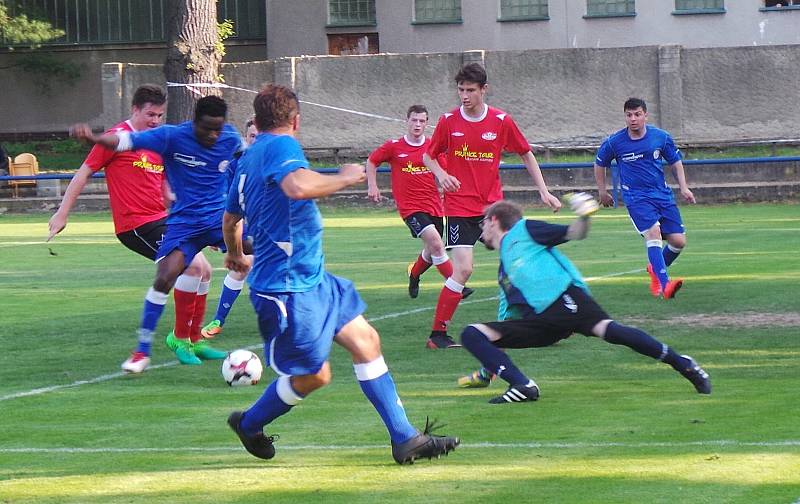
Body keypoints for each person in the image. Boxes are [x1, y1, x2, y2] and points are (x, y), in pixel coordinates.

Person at [222, 84, 459, 465]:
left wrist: (234, 254)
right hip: (288, 289)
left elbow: (231, 217)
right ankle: (249, 424)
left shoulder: (249, 158)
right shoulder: (281, 146)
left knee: (367, 341)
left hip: (313, 280)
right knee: (315, 376)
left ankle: (405, 438)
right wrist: (347, 178)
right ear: (296, 120)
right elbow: (297, 186)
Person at [456, 196, 711, 403]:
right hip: (542, 324)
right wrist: (491, 366)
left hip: (567, 301)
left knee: (612, 332)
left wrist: (584, 215)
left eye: (483, 224)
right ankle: (522, 385)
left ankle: (683, 363)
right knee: (472, 334)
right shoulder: (504, 269)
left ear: (494, 220)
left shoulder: (524, 229)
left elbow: (574, 233)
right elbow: (507, 318)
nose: (481, 231)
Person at [70, 95, 243, 368]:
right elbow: (123, 141)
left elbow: (249, 158)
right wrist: (93, 139)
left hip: (216, 221)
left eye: (217, 129)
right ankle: (142, 352)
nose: (212, 135)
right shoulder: (171, 137)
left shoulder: (230, 139)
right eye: (207, 128)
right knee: (166, 277)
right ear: (194, 121)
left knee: (268, 245)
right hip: (183, 223)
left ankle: (194, 339)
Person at [49, 84, 210, 373]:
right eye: (150, 114)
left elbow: (162, 183)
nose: (155, 121)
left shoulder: (155, 141)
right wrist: (62, 214)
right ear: (135, 109)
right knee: (193, 267)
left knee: (204, 270)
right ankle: (177, 340)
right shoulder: (115, 139)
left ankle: (194, 339)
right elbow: (83, 173)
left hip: (163, 219)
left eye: (160, 115)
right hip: (136, 225)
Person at [422, 62, 562, 349]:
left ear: (484, 90)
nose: (464, 95)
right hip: (459, 207)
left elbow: (526, 154)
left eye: (470, 90)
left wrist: (544, 192)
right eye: (460, 90)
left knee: (521, 261)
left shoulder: (500, 121)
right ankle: (437, 335)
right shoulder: (449, 121)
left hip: (492, 208)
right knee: (463, 270)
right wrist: (442, 174)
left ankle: (551, 319)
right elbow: (428, 156)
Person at [366, 105, 472, 301]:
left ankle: (414, 274)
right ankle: (456, 284)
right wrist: (372, 186)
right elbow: (372, 161)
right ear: (407, 121)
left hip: (434, 206)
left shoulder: (433, 147)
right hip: (410, 208)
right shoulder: (394, 146)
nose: (417, 124)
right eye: (414, 120)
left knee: (432, 251)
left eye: (422, 121)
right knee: (436, 244)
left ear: (426, 123)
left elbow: (446, 172)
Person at [594, 97, 696, 299]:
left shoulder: (661, 137)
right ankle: (665, 284)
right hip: (636, 197)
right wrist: (602, 192)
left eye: (637, 114)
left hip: (662, 195)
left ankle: (655, 269)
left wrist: (684, 187)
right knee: (653, 232)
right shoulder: (615, 142)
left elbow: (675, 162)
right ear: (625, 117)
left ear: (645, 115)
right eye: (629, 115)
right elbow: (599, 164)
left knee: (678, 242)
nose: (633, 119)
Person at [200, 117, 258, 339]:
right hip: (244, 228)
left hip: (273, 228)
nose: (256, 140)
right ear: (246, 137)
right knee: (240, 266)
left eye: (260, 136)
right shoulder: (235, 165)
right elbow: (224, 198)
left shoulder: (273, 161)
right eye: (252, 136)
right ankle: (218, 320)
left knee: (259, 267)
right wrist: (218, 233)